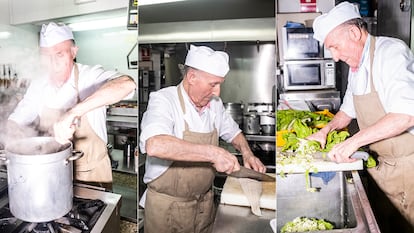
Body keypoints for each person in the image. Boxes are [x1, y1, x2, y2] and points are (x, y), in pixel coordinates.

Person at [308, 1, 414, 231]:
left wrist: (353, 142)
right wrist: (324, 132)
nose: (334, 57)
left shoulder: (390, 52)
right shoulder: (356, 66)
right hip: (380, 168)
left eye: (335, 47)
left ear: (354, 33)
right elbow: (347, 112)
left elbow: (406, 115)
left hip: (406, 169)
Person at [139, 44, 266, 233]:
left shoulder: (214, 104)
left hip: (205, 206)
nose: (218, 92)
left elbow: (234, 133)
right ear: (192, 77)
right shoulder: (164, 100)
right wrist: (213, 153)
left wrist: (247, 154)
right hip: (168, 211)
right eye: (213, 84)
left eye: (220, 84)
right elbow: (155, 145)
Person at [7, 22, 136, 190]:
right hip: (51, 173)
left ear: (74, 52)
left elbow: (127, 84)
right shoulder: (38, 84)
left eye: (59, 54)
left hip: (91, 176)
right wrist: (11, 141)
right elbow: (16, 121)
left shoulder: (89, 76)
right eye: (46, 56)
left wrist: (73, 113)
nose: (53, 63)